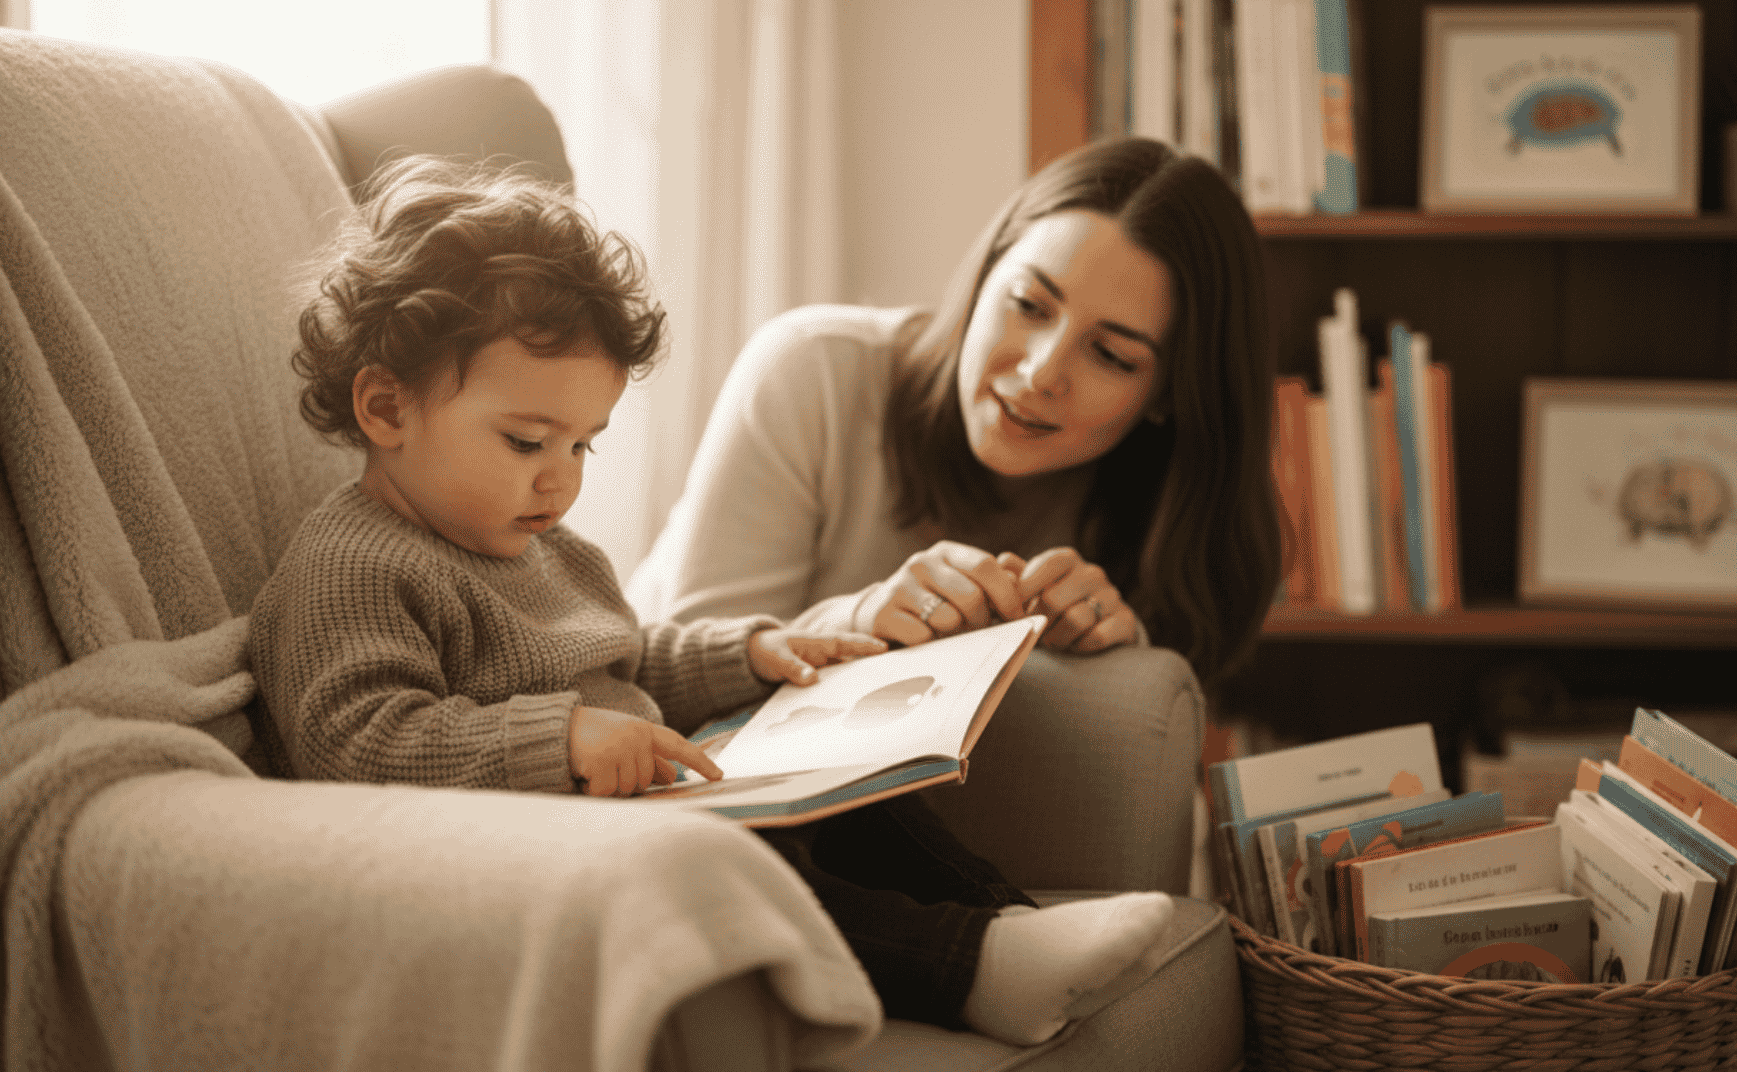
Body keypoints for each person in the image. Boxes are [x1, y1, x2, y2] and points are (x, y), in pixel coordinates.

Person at [250, 157, 1175, 1046]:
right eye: (529, 441)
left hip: (640, 811)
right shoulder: (354, 565)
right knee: (744, 879)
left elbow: (629, 657)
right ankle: (974, 969)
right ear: (385, 409)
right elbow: (357, 741)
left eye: (584, 446)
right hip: (528, 857)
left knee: (855, 797)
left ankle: (1005, 919)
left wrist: (751, 654)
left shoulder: (539, 546)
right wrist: (560, 741)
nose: (561, 482)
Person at [630, 136, 1280, 715]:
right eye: (1028, 304)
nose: (1040, 371)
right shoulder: (812, 369)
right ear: (983, 276)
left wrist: (1118, 646)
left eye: (1111, 355)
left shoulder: (1160, 504)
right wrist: (861, 618)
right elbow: (683, 682)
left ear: (1170, 394)